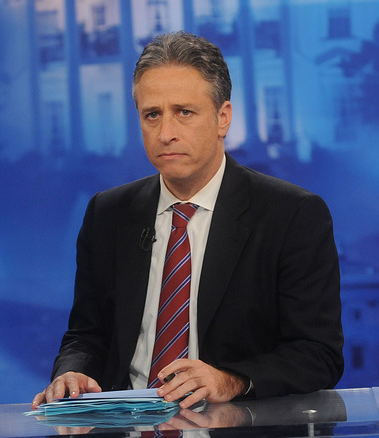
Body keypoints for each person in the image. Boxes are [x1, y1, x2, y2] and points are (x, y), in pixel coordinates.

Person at [32, 31, 343, 410]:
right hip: (126, 424)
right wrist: (73, 371)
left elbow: (318, 354)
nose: (166, 133)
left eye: (184, 112)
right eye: (152, 115)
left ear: (222, 118)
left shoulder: (292, 215)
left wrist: (230, 380)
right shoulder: (108, 214)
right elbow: (86, 334)